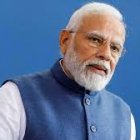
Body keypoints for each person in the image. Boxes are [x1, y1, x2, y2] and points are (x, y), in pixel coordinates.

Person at [0, 2, 136, 140]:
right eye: (95, 40)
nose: (106, 55)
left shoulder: (124, 116)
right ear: (65, 40)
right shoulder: (14, 96)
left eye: (115, 48)